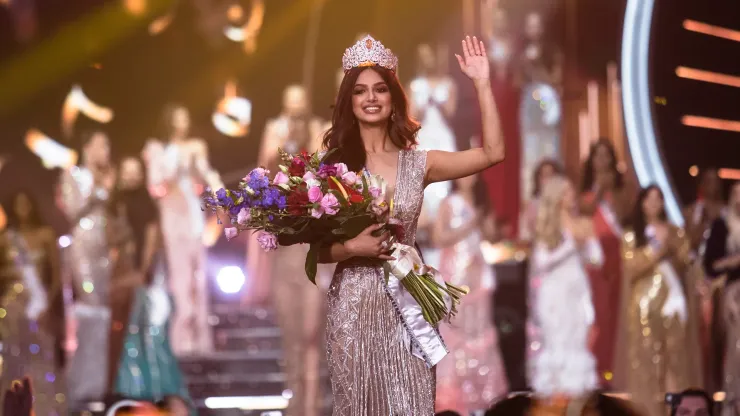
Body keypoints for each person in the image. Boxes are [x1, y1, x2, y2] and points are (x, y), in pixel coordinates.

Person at [318, 34, 504, 414]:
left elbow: (493, 153)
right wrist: (354, 248)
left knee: (413, 404)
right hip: (354, 306)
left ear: (393, 98)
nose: (371, 98)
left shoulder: (420, 163)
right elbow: (317, 250)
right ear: (349, 102)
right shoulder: (334, 168)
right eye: (360, 91)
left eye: (380, 89)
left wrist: (482, 83)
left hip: (408, 305)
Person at [247, 84, 327, 416]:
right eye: (289, 104)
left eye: (300, 104)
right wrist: (283, 146)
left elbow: (330, 169)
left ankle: (313, 404)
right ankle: (296, 401)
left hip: (313, 246)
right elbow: (262, 171)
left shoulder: (320, 127)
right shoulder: (274, 130)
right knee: (292, 334)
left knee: (311, 333)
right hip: (285, 246)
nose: (295, 109)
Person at [107, 157, 193, 414]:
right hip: (122, 275)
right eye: (127, 172)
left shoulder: (147, 204)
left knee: (149, 330)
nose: (131, 176)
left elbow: (152, 237)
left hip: (146, 276)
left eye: (136, 172)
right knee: (127, 333)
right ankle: (133, 389)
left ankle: (157, 388)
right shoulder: (115, 206)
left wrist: (143, 271)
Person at [613, 185, 702, 416]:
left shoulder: (675, 232)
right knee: (647, 364)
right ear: (641, 203)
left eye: (658, 199)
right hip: (644, 308)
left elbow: (686, 262)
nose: (653, 203)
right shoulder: (632, 235)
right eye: (649, 199)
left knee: (676, 362)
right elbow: (631, 266)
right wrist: (657, 251)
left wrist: (680, 243)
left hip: (673, 305)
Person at [144, 104, 223, 356]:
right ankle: (180, 339)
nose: (183, 123)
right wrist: (172, 173)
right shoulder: (156, 149)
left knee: (198, 275)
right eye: (178, 119)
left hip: (192, 212)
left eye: (185, 118)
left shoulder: (195, 146)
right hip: (172, 213)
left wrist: (218, 187)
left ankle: (199, 338)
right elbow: (155, 185)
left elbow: (205, 172)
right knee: (179, 276)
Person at [433, 173, 508, 414]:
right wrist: (468, 225)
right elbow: (438, 238)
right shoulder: (450, 203)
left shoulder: (480, 204)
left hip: (478, 278)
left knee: (481, 333)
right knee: (455, 335)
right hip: (455, 277)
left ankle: (482, 395)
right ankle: (455, 398)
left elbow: (491, 236)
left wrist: (492, 224)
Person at [58, 129, 116, 406]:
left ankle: (102, 382)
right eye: (101, 145)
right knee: (89, 306)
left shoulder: (109, 176)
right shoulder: (74, 174)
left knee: (105, 312)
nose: (106, 150)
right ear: (88, 146)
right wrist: (98, 191)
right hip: (83, 244)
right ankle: (82, 385)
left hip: (106, 247)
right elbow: (73, 209)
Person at [529, 175, 600, 398]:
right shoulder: (548, 226)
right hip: (554, 293)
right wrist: (569, 246)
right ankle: (554, 400)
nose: (572, 196)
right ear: (557, 197)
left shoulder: (584, 223)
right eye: (567, 192)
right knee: (557, 344)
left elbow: (598, 258)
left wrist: (588, 245)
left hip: (578, 291)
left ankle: (577, 400)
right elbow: (541, 262)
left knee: (577, 343)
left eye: (572, 191)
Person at [0, 196, 68, 416]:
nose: (22, 208)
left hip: (39, 306)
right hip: (12, 307)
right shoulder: (6, 239)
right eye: (18, 204)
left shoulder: (45, 235)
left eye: (26, 203)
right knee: (14, 359)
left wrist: (49, 303)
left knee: (41, 359)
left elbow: (57, 274)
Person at [579, 137, 631, 386]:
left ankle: (616, 369)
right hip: (594, 259)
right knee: (599, 314)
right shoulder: (584, 192)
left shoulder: (622, 190)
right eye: (597, 155)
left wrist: (611, 191)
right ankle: (598, 371)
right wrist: (598, 190)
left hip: (618, 257)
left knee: (618, 311)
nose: (602, 160)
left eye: (606, 155)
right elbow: (585, 213)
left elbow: (625, 217)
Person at [703, 181, 740, 415]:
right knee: (735, 347)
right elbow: (711, 265)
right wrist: (734, 261)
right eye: (737, 193)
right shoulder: (722, 226)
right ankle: (732, 401)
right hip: (733, 294)